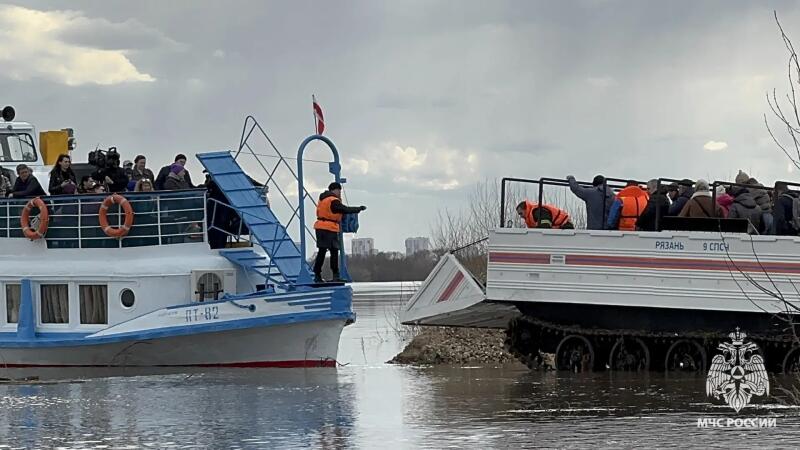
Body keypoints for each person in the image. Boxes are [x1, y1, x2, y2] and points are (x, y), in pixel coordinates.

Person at [313, 182, 366, 283]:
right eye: (339, 190)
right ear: (335, 190)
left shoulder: (322, 199)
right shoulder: (333, 200)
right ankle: (335, 275)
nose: (340, 193)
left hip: (320, 227)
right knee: (334, 251)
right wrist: (357, 209)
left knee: (322, 251)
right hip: (329, 228)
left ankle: (317, 275)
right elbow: (344, 209)